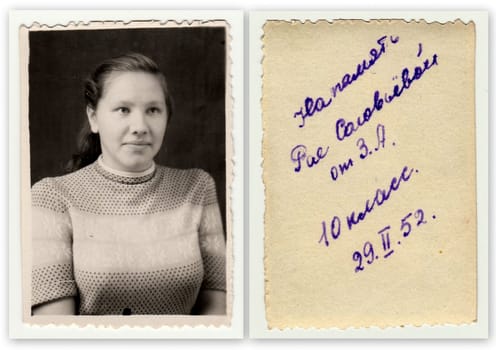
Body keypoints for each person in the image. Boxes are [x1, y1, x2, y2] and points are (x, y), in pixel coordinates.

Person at [30, 53, 226, 315]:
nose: (140, 126)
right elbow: (54, 330)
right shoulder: (52, 197)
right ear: (94, 118)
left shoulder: (197, 187)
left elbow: (218, 307)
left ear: (167, 116)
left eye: (153, 110)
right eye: (123, 110)